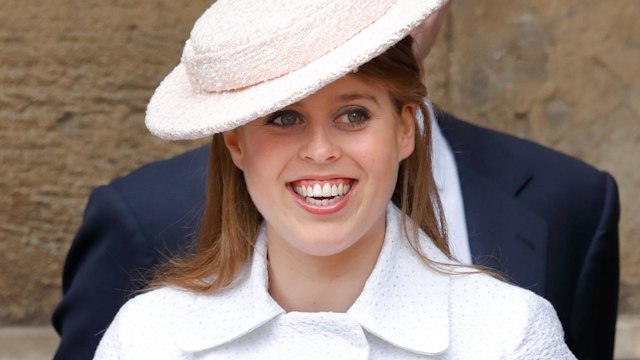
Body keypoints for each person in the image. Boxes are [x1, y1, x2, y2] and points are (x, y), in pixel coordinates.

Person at [53, 1, 619, 359]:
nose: (321, 151)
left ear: (405, 130)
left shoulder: (506, 333)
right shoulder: (149, 337)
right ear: (235, 143)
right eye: (284, 118)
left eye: (353, 115)